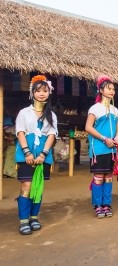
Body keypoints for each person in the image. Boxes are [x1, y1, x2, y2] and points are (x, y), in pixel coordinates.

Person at [15, 75, 58, 235]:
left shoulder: (51, 115)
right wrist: (27, 152)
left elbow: (52, 135)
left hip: (43, 155)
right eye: (38, 90)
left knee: (38, 187)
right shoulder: (24, 113)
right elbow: (20, 132)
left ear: (49, 93)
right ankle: (23, 220)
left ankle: (34, 217)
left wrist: (43, 154)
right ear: (32, 92)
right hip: (26, 154)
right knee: (26, 186)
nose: (41, 94)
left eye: (44, 91)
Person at [85, 75, 118, 218]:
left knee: (109, 177)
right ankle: (97, 205)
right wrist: (104, 138)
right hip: (99, 148)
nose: (112, 91)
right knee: (99, 177)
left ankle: (107, 204)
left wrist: (117, 137)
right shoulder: (95, 108)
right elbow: (88, 127)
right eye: (108, 88)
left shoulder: (115, 110)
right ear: (100, 90)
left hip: (112, 149)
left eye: (113, 89)